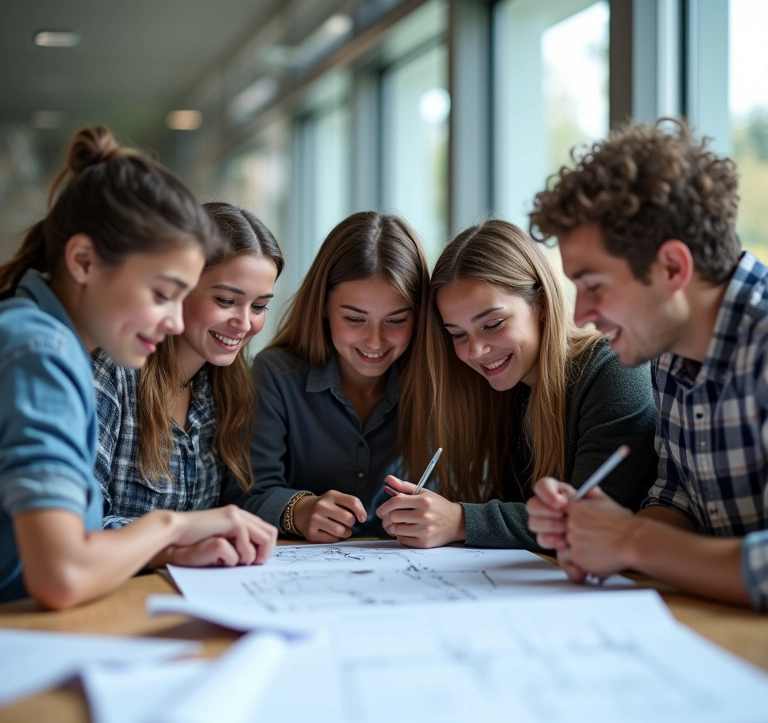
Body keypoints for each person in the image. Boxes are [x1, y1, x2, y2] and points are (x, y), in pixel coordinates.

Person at [0, 126, 277, 608]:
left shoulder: (39, 337)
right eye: (163, 294)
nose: (173, 321)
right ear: (84, 261)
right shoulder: (42, 352)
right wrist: (173, 526)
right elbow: (61, 575)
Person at [525, 118, 768, 611]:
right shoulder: (668, 355)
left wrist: (633, 542)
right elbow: (678, 500)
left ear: (673, 268)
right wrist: (594, 534)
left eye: (594, 285)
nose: (580, 316)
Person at [376, 219, 658, 549]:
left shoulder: (613, 369)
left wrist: (460, 520)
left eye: (493, 324)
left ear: (540, 303)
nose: (475, 351)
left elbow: (591, 520)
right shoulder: (505, 389)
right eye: (458, 335)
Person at [228, 211, 429, 541]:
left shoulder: (439, 384)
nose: (375, 341)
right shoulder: (277, 375)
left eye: (396, 321)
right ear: (323, 306)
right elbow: (241, 495)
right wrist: (299, 510)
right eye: (354, 319)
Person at [93, 203, 284, 534]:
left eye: (259, 306)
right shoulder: (115, 369)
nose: (244, 322)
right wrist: (181, 538)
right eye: (226, 301)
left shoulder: (229, 386)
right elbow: (77, 527)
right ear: (177, 289)